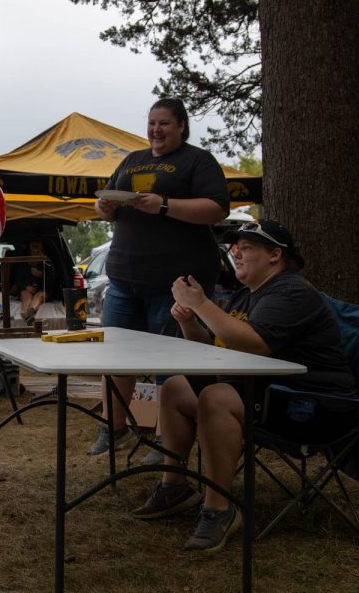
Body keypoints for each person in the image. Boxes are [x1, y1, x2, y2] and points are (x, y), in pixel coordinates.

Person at [131, 219, 355, 553]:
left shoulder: (291, 291)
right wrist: (189, 320)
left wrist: (201, 303)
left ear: (275, 255)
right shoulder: (247, 295)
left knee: (216, 397)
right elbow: (213, 347)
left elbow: (254, 344)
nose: (235, 253)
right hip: (265, 392)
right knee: (178, 387)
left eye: (246, 248)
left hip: (310, 403)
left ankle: (219, 509)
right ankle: (174, 486)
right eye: (235, 247)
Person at [90, 98, 229, 456]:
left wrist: (165, 205)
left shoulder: (198, 161)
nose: (156, 130)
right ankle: (114, 428)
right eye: (152, 122)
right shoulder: (132, 160)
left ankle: (168, 439)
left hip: (176, 285)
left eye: (164, 123)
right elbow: (105, 206)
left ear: (182, 125)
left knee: (172, 365)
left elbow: (216, 209)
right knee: (116, 357)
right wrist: (104, 207)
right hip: (123, 279)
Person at [14, 239, 56, 322]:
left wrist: (42, 274)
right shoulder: (23, 262)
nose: (36, 251)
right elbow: (18, 279)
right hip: (27, 289)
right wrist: (25, 287)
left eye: (38, 250)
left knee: (39, 295)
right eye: (34, 249)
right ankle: (26, 314)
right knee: (25, 295)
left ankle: (29, 313)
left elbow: (53, 281)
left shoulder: (47, 263)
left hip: (42, 290)